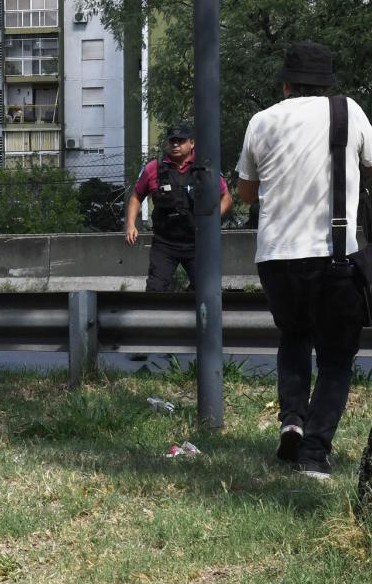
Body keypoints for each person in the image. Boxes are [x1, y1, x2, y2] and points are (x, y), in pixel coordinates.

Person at [237, 41, 372, 480]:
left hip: (276, 257)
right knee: (335, 357)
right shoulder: (348, 112)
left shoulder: (262, 120)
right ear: (329, 82)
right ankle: (314, 454)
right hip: (335, 256)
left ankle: (292, 420)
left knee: (293, 338)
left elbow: (246, 193)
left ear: (287, 83)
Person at [124, 123, 233, 291]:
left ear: (192, 143)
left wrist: (213, 218)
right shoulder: (154, 169)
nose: (175, 145)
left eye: (180, 141)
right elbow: (136, 196)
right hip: (165, 243)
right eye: (172, 141)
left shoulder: (205, 167)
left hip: (198, 242)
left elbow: (226, 197)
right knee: (156, 289)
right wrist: (131, 225)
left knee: (206, 290)